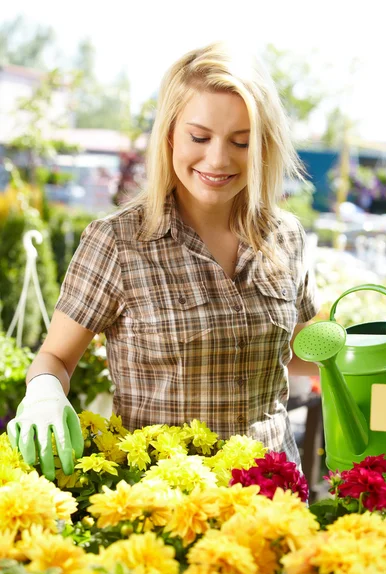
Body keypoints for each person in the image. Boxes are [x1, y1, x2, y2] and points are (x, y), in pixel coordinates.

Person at [8, 42, 320, 480]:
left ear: (264, 146)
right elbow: (55, 357)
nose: (218, 158)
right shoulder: (118, 241)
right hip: (161, 506)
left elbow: (305, 352)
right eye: (199, 137)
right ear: (170, 134)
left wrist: (370, 360)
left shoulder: (286, 236)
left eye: (241, 141)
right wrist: (43, 392)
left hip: (272, 497)